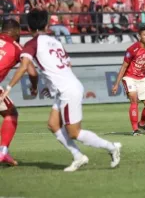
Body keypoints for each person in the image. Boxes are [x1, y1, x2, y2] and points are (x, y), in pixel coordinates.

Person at [0, 10, 122, 172]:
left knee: (74, 133)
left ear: (29, 28)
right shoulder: (55, 42)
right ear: (47, 25)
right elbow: (66, 66)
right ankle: (78, 156)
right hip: (68, 86)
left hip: (67, 90)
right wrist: (54, 88)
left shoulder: (32, 44)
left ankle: (112, 147)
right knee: (53, 124)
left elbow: (26, 68)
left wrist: (9, 87)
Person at [0, 20, 38, 166]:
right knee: (11, 114)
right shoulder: (17, 48)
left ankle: (4, 152)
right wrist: (34, 87)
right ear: (16, 32)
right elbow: (32, 72)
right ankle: (2, 151)